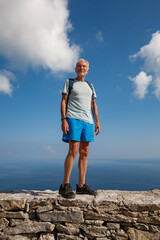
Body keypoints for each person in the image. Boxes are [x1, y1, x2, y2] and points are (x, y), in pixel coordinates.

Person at [59, 59, 101, 198]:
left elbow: (93, 104)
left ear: (87, 70)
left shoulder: (90, 86)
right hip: (73, 118)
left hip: (88, 121)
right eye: (79, 66)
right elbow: (63, 101)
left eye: (84, 66)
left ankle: (81, 186)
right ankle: (65, 185)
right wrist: (63, 119)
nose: (81, 68)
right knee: (73, 150)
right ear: (75, 69)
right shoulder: (69, 82)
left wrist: (97, 121)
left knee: (85, 152)